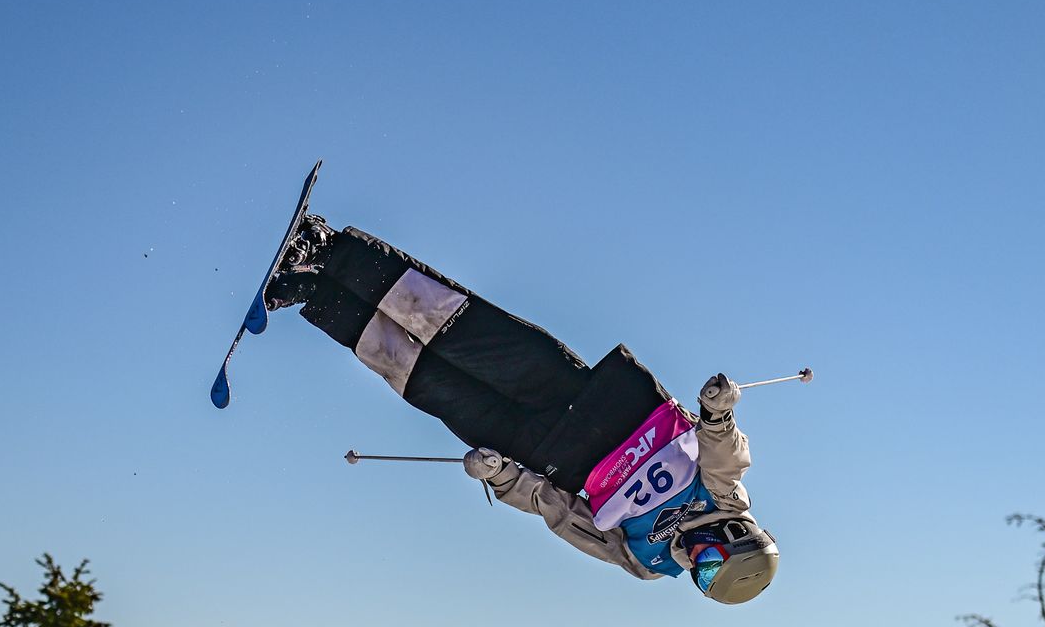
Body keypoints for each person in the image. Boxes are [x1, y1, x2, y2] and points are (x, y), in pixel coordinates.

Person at [265, 215, 779, 604]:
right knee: (461, 332)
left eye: (700, 578)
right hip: (593, 403)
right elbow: (724, 451)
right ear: (734, 536)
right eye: (711, 562)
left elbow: (563, 516)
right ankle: (330, 250)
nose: (696, 562)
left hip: (545, 451)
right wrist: (717, 413)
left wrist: (505, 478)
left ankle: (316, 293)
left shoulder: (649, 562)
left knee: (424, 381)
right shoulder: (724, 498)